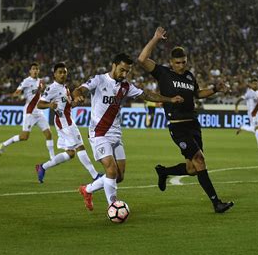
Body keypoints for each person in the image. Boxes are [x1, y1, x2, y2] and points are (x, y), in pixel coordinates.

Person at [138, 27, 234, 214]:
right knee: (200, 160)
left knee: (192, 169)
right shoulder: (163, 73)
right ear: (171, 62)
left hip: (193, 124)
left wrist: (215, 88)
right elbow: (141, 60)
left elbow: (198, 94)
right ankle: (216, 203)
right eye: (178, 63)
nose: (182, 65)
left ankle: (163, 171)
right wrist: (155, 39)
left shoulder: (189, 76)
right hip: (178, 126)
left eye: (184, 62)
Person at [73, 53, 183, 211]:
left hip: (116, 135)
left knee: (119, 176)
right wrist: (78, 97)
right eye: (122, 70)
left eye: (127, 71)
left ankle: (87, 189)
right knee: (111, 170)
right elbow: (80, 89)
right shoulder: (99, 80)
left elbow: (147, 95)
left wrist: (169, 99)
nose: (124, 74)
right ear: (114, 65)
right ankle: (113, 207)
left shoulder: (126, 87)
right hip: (99, 134)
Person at [35, 62, 102, 183]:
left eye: (64, 72)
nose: (62, 74)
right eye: (60, 72)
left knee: (70, 153)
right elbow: (39, 104)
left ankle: (43, 167)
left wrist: (76, 102)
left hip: (65, 121)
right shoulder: (53, 88)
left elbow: (69, 105)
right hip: (65, 122)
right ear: (54, 74)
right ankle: (95, 176)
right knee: (80, 146)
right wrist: (50, 105)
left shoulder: (65, 88)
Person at [0, 62, 55, 159]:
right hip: (30, 112)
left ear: (39, 71)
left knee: (48, 134)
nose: (35, 71)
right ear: (30, 71)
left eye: (37, 69)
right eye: (33, 69)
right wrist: (20, 95)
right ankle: (3, 144)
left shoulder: (41, 82)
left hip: (39, 112)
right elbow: (16, 93)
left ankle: (52, 158)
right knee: (24, 137)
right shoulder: (26, 81)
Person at [234, 78, 258, 149]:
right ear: (251, 84)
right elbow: (240, 99)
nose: (255, 85)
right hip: (253, 113)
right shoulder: (249, 92)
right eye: (254, 83)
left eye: (256, 83)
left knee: (255, 129)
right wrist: (236, 107)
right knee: (257, 128)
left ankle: (243, 127)